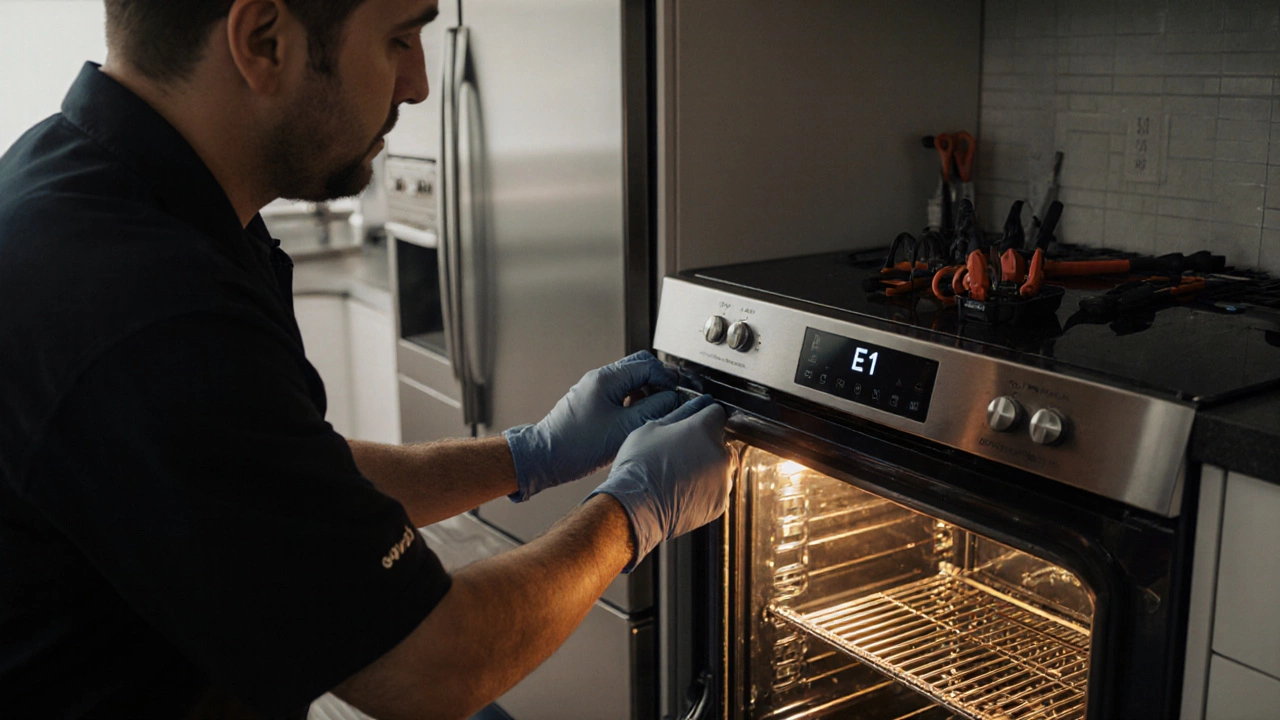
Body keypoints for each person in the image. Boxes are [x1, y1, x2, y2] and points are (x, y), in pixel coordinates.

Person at [0, 0, 732, 717]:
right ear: (264, 41)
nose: (417, 83)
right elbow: (427, 670)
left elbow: (281, 478)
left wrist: (529, 455)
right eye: (399, 39)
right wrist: (633, 514)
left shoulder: (105, 184)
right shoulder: (147, 307)